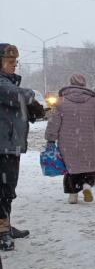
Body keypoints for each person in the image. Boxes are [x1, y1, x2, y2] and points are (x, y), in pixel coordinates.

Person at [0, 43, 45, 252]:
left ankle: (6, 226)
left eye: (15, 62)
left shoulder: (9, 82)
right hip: (2, 146)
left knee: (8, 190)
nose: (14, 66)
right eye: (10, 62)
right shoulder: (3, 84)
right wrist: (30, 98)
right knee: (1, 191)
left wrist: (32, 112)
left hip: (10, 145)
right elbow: (15, 94)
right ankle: (2, 234)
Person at [45, 74, 95, 204]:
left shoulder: (61, 101)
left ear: (70, 83)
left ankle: (72, 194)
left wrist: (50, 138)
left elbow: (54, 122)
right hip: (88, 139)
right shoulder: (94, 101)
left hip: (67, 141)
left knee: (71, 167)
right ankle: (87, 185)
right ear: (84, 84)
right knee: (88, 164)